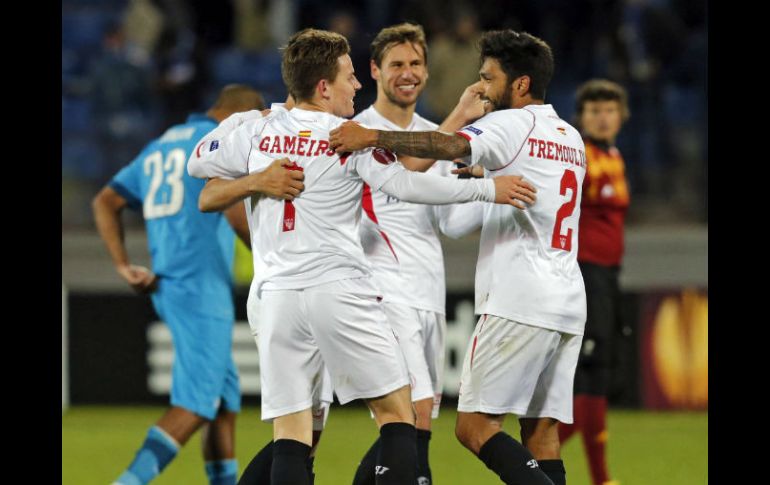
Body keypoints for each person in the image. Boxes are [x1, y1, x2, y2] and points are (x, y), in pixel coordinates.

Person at [187, 28, 536, 485]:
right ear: (324, 86)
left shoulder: (255, 129)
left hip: (275, 299)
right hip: (338, 289)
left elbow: (198, 165)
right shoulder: (346, 137)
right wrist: (489, 188)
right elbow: (410, 184)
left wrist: (256, 177)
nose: (357, 86)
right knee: (399, 412)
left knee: (293, 432)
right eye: (350, 77)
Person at [330, 29, 588, 485]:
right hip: (566, 299)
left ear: (520, 84)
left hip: (518, 299)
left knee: (472, 427)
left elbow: (440, 149)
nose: (482, 89)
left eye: (488, 78)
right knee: (540, 431)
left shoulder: (510, 124)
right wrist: (482, 186)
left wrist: (371, 136)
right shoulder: (569, 137)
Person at [92, 84, 305, 485]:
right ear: (239, 115)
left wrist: (123, 265)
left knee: (223, 405)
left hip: (170, 282)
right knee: (195, 405)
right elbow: (235, 214)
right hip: (200, 286)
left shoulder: (161, 144)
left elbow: (106, 200)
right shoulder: (218, 143)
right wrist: (276, 259)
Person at [350, 22, 528, 485]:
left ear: (426, 71)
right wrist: (461, 122)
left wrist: (499, 200)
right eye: (396, 65)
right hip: (382, 290)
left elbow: (449, 221)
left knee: (413, 423)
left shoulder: (437, 135)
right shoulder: (361, 133)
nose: (406, 74)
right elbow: (408, 173)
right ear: (374, 71)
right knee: (412, 416)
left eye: (414, 64)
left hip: (426, 290)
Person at [557, 79, 630, 485]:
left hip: (607, 275)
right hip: (586, 273)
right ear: (581, 117)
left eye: (609, 109)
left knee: (596, 374)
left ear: (621, 116)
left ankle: (538, 459)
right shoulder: (580, 156)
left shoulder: (615, 155)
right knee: (590, 372)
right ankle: (598, 478)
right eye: (594, 110)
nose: (603, 117)